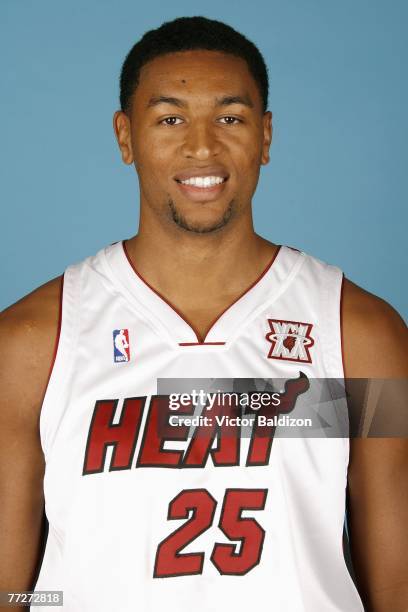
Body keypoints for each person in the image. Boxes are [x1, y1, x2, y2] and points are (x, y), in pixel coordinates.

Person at [0, 15, 407, 612]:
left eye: (230, 118)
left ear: (265, 137)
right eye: (169, 119)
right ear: (125, 136)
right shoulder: (32, 342)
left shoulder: (360, 335)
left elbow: (395, 586)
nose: (201, 146)